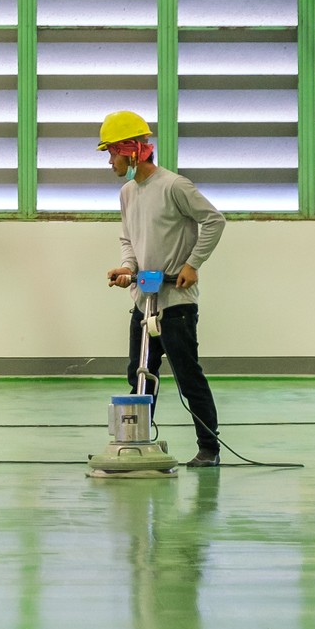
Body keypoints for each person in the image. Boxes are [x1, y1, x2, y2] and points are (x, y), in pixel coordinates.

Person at [98, 111, 225, 468]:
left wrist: (192, 264)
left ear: (132, 150)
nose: (110, 161)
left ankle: (209, 448)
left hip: (176, 301)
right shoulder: (127, 193)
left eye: (112, 153)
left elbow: (214, 220)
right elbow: (129, 238)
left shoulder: (174, 186)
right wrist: (127, 269)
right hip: (144, 300)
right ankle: (136, 441)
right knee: (139, 374)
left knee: (188, 376)